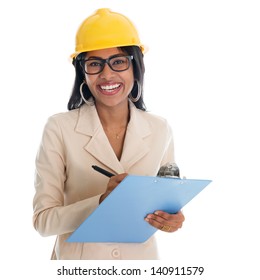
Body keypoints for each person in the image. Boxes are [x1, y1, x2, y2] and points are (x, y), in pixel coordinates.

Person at [33, 8, 185, 260]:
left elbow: (165, 208)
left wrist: (171, 221)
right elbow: (42, 222)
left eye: (118, 61)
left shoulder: (160, 129)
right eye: (94, 64)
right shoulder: (59, 128)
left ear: (135, 67)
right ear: (83, 71)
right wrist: (101, 202)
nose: (106, 74)